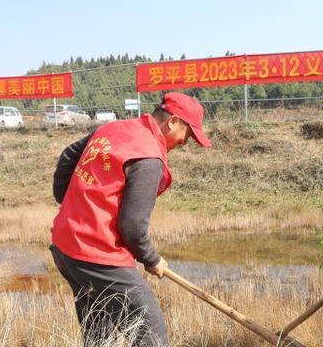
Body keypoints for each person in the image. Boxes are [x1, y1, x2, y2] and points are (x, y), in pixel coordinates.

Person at [50, 92, 212, 347]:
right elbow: (132, 226)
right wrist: (151, 258)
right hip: (97, 256)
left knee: (99, 335)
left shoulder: (114, 129)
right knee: (151, 334)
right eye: (188, 135)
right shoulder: (148, 158)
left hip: (65, 248)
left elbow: (68, 155)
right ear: (173, 122)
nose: (185, 143)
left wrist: (68, 203)